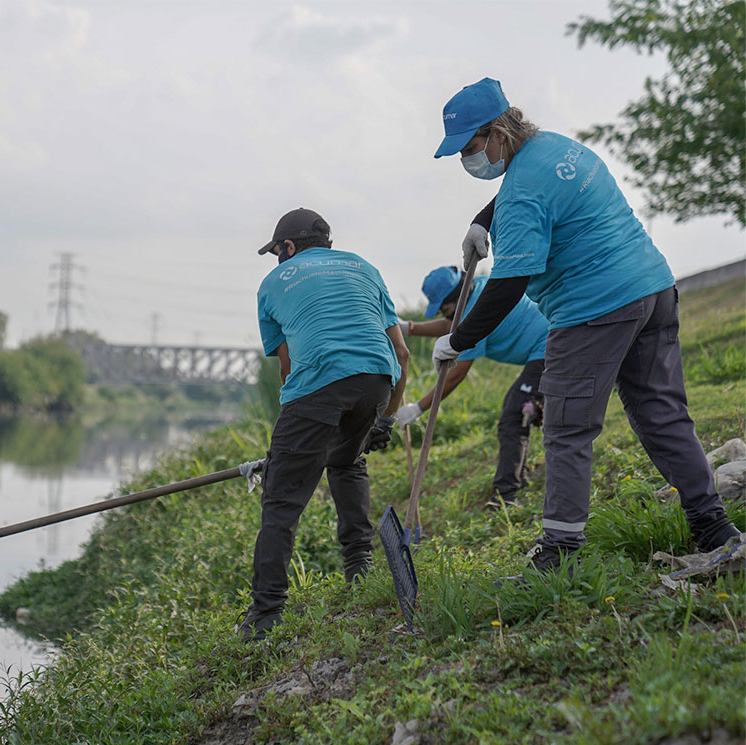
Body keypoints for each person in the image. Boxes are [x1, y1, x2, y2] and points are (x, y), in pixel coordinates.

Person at [430, 77, 741, 572]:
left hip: (594, 311)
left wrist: (459, 338)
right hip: (652, 289)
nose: (469, 161)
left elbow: (509, 283)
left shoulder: (520, 199)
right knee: (663, 413)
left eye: (470, 147)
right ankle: (713, 526)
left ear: (498, 133)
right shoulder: (553, 146)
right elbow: (528, 185)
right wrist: (482, 220)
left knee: (567, 428)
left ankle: (560, 551)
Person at [239, 208, 409, 641]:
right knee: (347, 460)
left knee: (281, 499)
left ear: (288, 248)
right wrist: (385, 417)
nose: (277, 259)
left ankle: (265, 614)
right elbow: (402, 355)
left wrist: (293, 447)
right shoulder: (364, 268)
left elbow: (289, 370)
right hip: (377, 380)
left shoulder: (273, 284)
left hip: (317, 385)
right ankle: (360, 567)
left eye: (277, 251)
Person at [397, 264, 548, 508]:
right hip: (543, 346)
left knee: (514, 415)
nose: (445, 315)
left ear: (456, 296)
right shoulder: (479, 288)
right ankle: (519, 473)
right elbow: (453, 323)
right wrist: (410, 329)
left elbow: (456, 374)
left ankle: (506, 496)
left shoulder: (474, 308)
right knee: (523, 411)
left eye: (445, 310)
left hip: (548, 346)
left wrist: (418, 408)